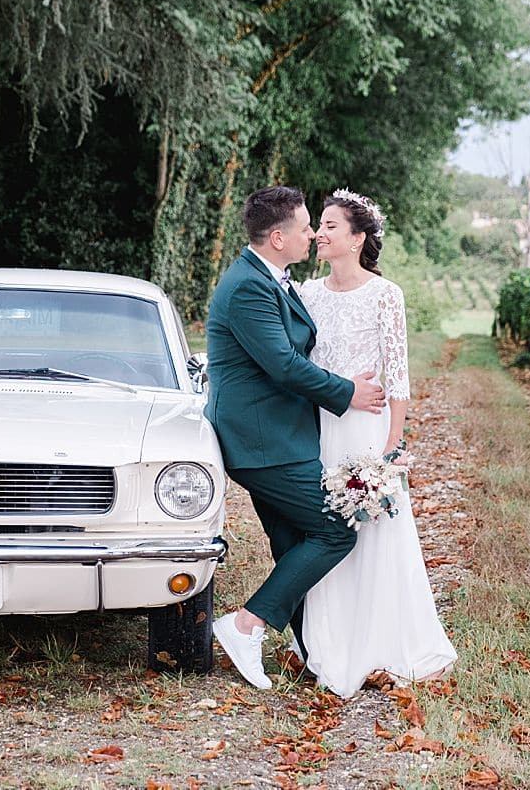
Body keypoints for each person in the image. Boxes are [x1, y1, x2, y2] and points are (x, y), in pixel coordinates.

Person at [205, 185, 386, 689]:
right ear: (279, 237)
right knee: (335, 531)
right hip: (263, 441)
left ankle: (313, 651)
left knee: (290, 542)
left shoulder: (274, 279)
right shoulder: (247, 287)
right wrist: (348, 392)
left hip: (280, 435)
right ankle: (246, 625)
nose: (313, 234)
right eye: (307, 226)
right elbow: (284, 366)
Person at [297, 189, 457, 698]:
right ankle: (332, 639)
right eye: (319, 226)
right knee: (327, 529)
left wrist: (390, 451)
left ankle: (387, 640)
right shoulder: (308, 294)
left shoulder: (386, 295)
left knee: (376, 532)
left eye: (330, 226)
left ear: (357, 238)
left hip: (367, 430)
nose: (319, 234)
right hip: (322, 426)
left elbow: (399, 379)